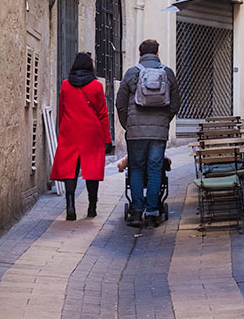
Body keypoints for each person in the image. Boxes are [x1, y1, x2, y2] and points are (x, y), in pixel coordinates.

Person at [115, 37, 181, 227]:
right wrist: (164, 122)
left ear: (140, 53)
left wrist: (129, 124)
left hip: (136, 132)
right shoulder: (167, 73)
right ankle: (152, 212)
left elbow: (120, 103)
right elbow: (175, 103)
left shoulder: (131, 73)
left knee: (136, 169)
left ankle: (137, 212)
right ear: (157, 53)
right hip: (158, 133)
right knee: (154, 170)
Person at [50, 51, 112, 221]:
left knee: (70, 169)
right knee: (91, 170)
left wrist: (62, 130)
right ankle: (92, 208)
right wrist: (107, 139)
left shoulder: (65, 85)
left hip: (70, 130)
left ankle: (70, 204)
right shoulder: (97, 86)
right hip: (91, 132)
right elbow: (103, 114)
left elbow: (61, 110)